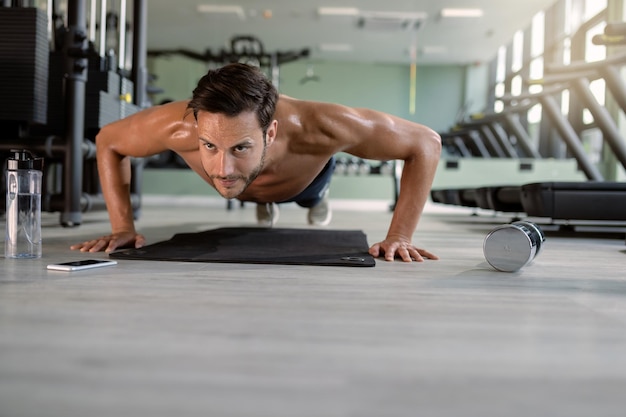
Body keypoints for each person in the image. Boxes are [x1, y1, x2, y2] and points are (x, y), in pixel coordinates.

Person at [71, 63, 441, 262]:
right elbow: (107, 141)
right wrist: (122, 227)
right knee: (238, 180)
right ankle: (263, 202)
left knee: (312, 197)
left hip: (304, 180)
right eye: (210, 147)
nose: (222, 168)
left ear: (271, 132)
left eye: (240, 148)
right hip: (253, 188)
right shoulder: (175, 128)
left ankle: (317, 198)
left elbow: (426, 142)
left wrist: (400, 236)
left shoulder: (322, 126)